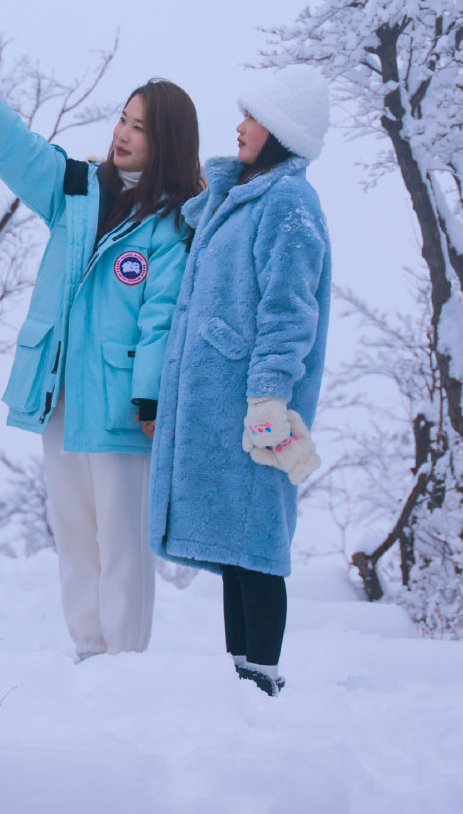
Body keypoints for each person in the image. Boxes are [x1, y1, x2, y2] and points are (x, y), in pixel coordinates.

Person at [0, 64, 201, 660]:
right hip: (60, 398)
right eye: (123, 121)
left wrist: (150, 396)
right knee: (76, 538)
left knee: (121, 544)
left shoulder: (173, 223)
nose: (123, 136)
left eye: (140, 129)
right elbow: (22, 153)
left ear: (167, 144)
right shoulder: (76, 187)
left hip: (124, 410)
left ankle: (125, 664)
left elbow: (162, 318)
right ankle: (89, 654)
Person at [148, 64, 332, 697]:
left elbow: (289, 309)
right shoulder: (241, 195)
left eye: (252, 117)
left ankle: (261, 680)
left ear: (281, 129)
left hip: (255, 401)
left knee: (256, 544)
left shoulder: (290, 202)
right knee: (236, 547)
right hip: (220, 399)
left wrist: (268, 396)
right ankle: (240, 681)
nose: (239, 126)